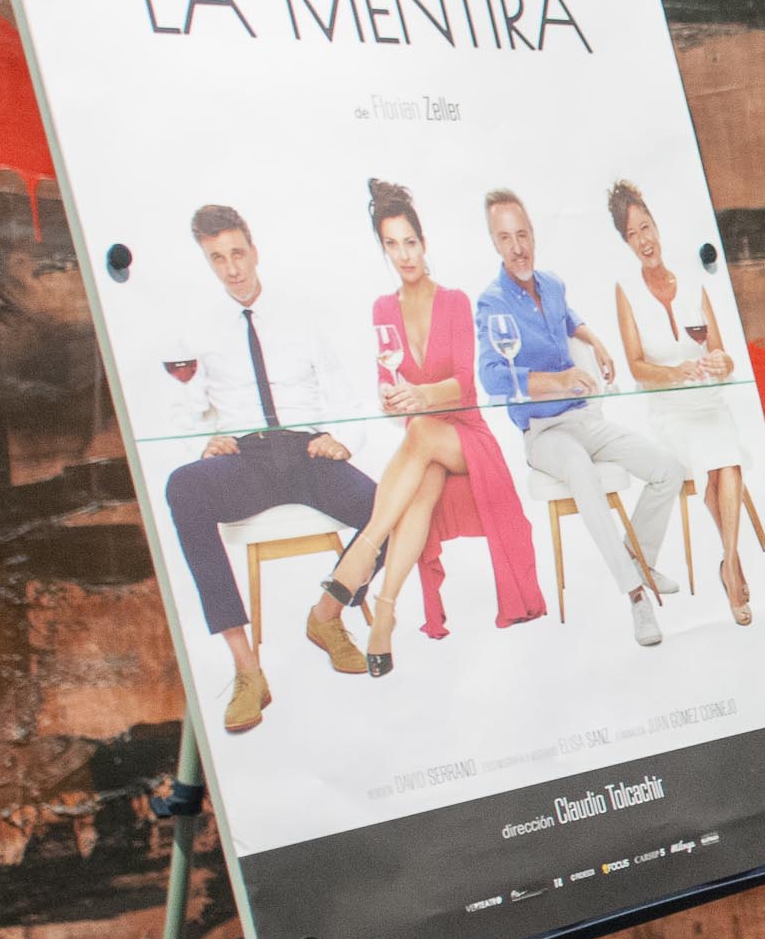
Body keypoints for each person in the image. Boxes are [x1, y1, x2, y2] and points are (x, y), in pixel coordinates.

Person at [158, 204, 383, 735]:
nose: (232, 268)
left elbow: (344, 394)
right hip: (247, 461)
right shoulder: (198, 329)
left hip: (308, 453)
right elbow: (184, 411)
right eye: (218, 259)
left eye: (237, 253)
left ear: (254, 251)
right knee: (182, 488)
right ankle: (246, 669)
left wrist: (342, 440)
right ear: (207, 262)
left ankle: (326, 616)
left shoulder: (299, 316)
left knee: (390, 506)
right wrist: (203, 439)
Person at [324, 178, 546, 668]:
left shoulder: (454, 300)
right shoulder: (383, 309)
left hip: (468, 440)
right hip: (424, 447)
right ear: (383, 249)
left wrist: (421, 396)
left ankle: (363, 551)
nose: (404, 255)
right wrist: (390, 397)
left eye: (410, 242)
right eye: (392, 245)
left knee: (422, 430)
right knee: (421, 480)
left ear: (424, 242)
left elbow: (465, 385)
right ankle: (384, 615)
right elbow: (387, 386)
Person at [472, 188, 685, 647]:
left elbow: (568, 318)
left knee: (667, 469)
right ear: (494, 243)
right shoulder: (492, 303)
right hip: (544, 432)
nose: (518, 247)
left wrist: (597, 342)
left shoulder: (551, 284)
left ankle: (639, 560)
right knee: (581, 470)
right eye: (505, 238)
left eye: (523, 234)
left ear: (534, 234)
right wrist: (560, 380)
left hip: (584, 419)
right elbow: (492, 377)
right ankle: (635, 596)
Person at [607, 181, 755, 626]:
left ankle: (730, 563)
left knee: (727, 464)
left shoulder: (692, 283)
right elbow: (636, 366)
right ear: (626, 243)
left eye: (646, 227)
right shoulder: (626, 291)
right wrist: (674, 374)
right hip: (670, 411)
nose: (644, 240)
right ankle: (734, 570)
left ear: (657, 225)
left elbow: (723, 354)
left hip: (708, 402)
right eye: (633, 234)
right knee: (720, 463)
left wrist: (720, 362)